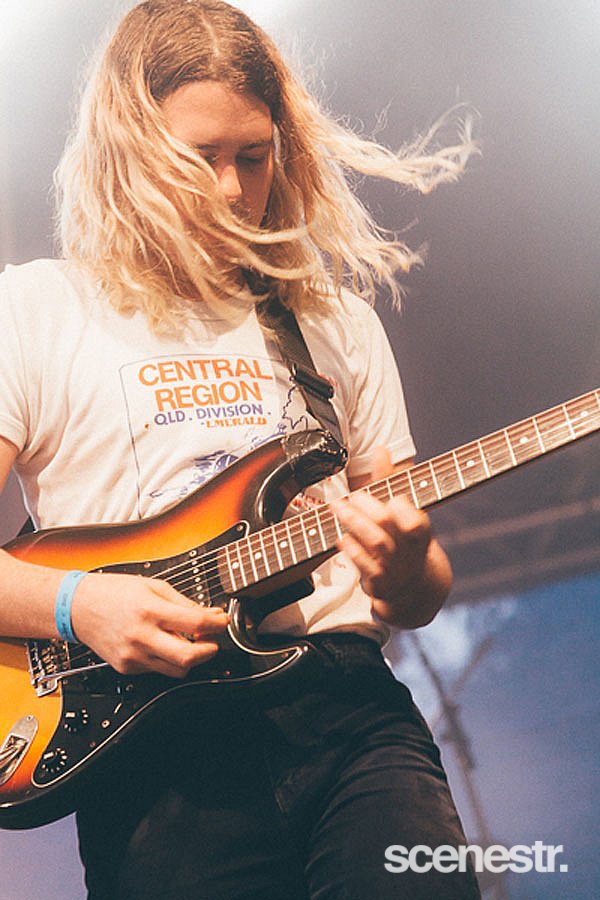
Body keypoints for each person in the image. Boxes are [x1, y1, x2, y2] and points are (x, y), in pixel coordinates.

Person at [0, 1, 480, 897]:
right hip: (152, 745)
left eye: (253, 157)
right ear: (130, 151)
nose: (230, 189)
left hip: (348, 710)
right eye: (200, 157)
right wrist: (78, 605)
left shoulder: (333, 321)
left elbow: (418, 594)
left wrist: (406, 565)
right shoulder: (35, 312)